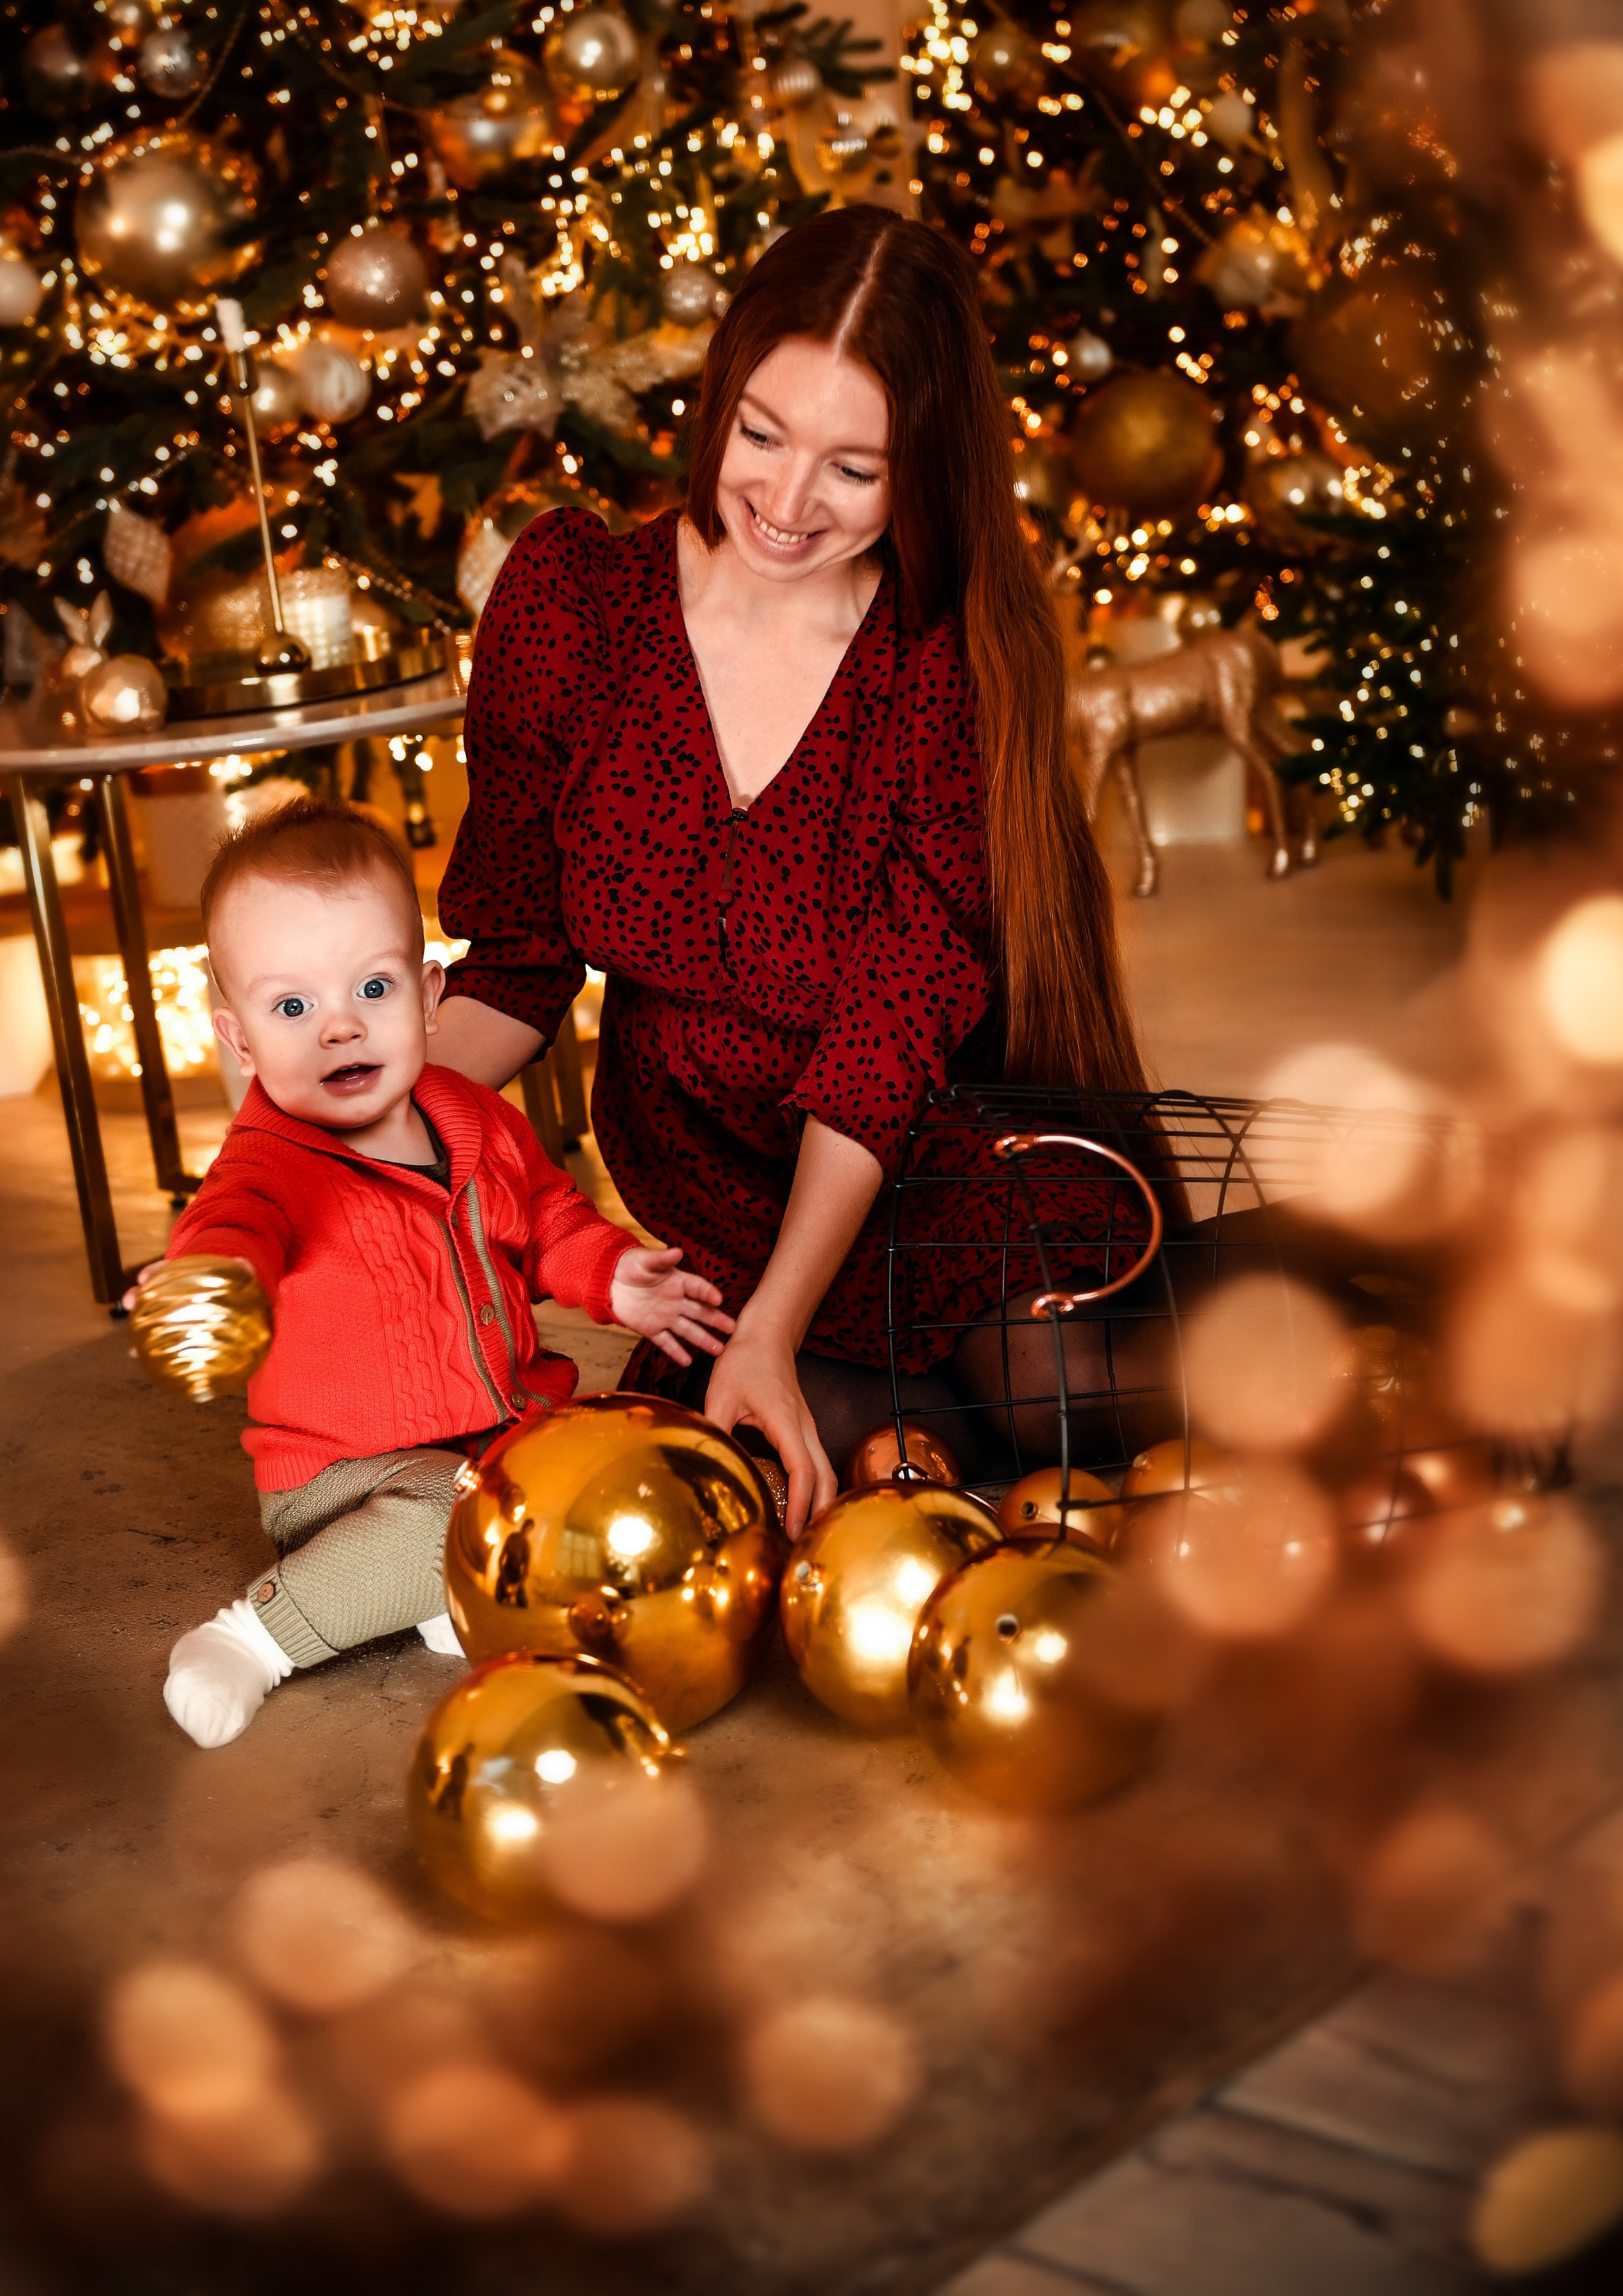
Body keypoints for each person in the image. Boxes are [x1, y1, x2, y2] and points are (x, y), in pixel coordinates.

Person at [432, 205, 1147, 1536]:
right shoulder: (574, 604)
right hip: (718, 1197)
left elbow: (887, 1036)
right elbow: (517, 965)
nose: (784, 499)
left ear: (923, 474)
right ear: (718, 395)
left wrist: (775, 1327)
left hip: (922, 1157)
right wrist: (313, 1134)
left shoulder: (946, 658)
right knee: (831, 1479)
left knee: (1070, 1388)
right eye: (761, 433)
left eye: (853, 470)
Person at [152, 798, 732, 1749]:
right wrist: (209, 1278)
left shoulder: (471, 1117)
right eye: (293, 1007)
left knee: (599, 1476)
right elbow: (231, 1227)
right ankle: (255, 1636)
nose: (339, 1030)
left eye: (371, 992)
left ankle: (441, 1597)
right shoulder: (270, 1165)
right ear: (239, 1039)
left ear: (429, 995)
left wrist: (613, 1276)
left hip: (498, 1437)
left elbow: (546, 1216)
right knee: (448, 1516)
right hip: (344, 1477)